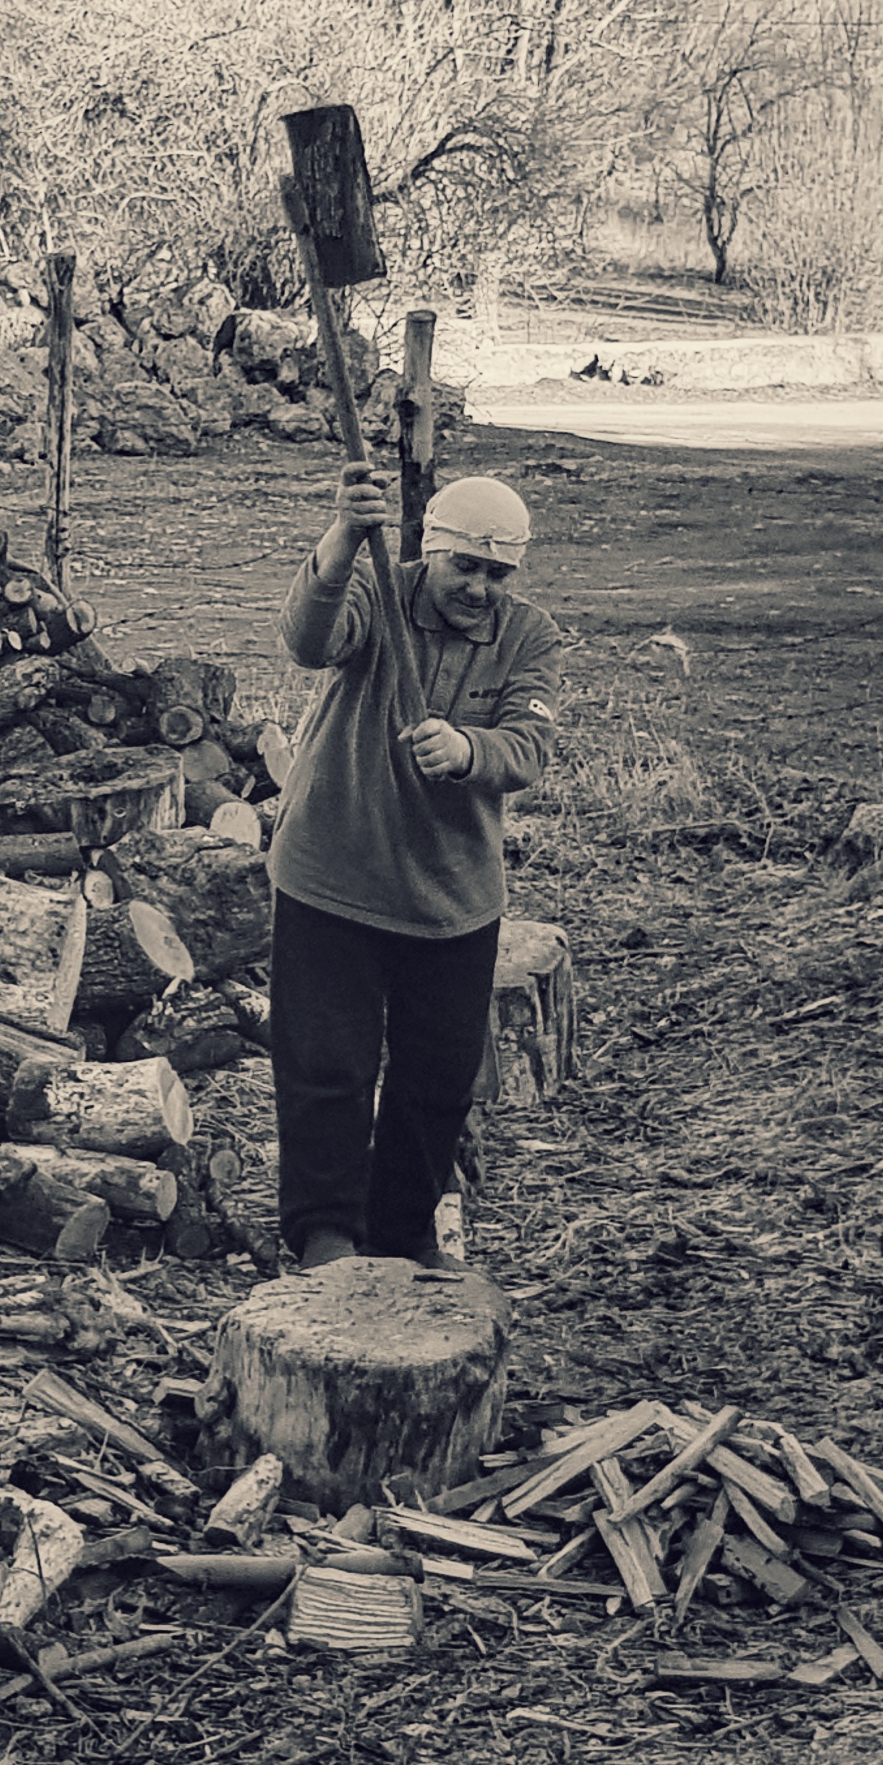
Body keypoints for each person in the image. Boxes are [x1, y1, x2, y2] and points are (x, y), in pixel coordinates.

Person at [266, 463, 559, 1270]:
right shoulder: (374, 589)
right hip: (333, 876)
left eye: (497, 573)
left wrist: (468, 749)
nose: (480, 588)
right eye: (465, 566)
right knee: (327, 1068)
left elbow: (529, 744)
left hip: (452, 897)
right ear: (430, 550)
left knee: (436, 1080)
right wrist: (341, 537)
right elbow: (309, 641)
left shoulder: (529, 635)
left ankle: (404, 1232)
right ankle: (324, 1233)